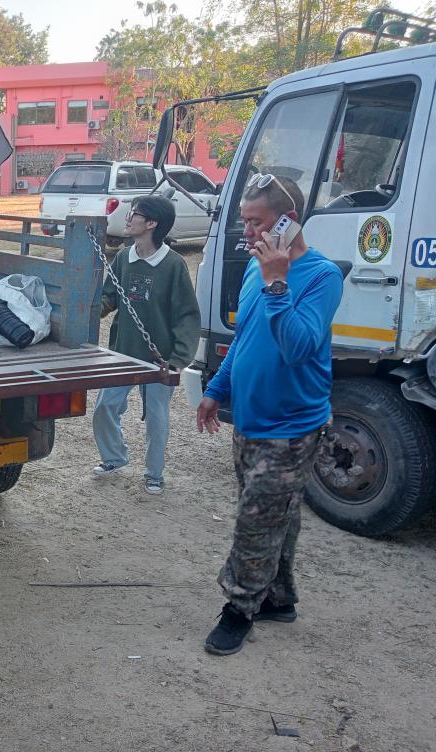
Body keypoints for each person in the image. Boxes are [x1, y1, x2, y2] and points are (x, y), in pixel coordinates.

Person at [197, 174, 343, 655]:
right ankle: (278, 598)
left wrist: (277, 282)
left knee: (256, 519)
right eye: (244, 221)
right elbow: (246, 338)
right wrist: (217, 389)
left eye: (256, 222)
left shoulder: (322, 276)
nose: (247, 232)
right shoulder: (253, 269)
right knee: (277, 511)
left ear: (287, 221)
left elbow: (299, 347)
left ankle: (239, 609)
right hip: (251, 418)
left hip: (293, 427)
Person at [91, 195, 200, 495]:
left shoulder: (173, 265)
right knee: (104, 408)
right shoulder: (124, 258)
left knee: (157, 418)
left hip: (159, 358)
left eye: (134, 214)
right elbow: (110, 296)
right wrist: (91, 309)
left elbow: (187, 316)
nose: (128, 218)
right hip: (123, 352)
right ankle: (114, 457)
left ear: (152, 223)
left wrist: (177, 359)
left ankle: (154, 474)